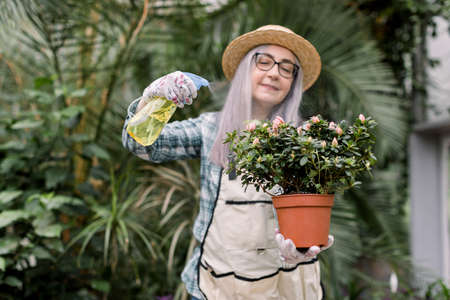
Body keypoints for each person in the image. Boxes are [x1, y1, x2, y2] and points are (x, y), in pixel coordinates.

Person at [123, 25, 334, 300]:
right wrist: (153, 100)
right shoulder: (211, 129)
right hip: (217, 285)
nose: (274, 73)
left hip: (285, 286)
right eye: (264, 61)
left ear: (293, 82)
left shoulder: (304, 141)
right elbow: (141, 146)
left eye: (286, 67)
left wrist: (302, 250)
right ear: (246, 70)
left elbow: (310, 213)